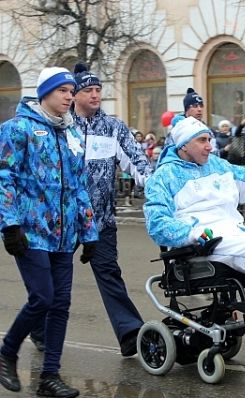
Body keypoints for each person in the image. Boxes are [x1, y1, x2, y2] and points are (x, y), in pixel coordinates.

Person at [143, 116, 245, 355]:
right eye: (202, 140)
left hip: (233, 233)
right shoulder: (163, 176)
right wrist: (191, 233)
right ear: (184, 144)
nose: (210, 145)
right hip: (204, 244)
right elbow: (157, 223)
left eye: (209, 139)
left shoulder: (219, 166)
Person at [29, 63, 154, 358]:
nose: (95, 95)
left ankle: (129, 333)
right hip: (63, 221)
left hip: (100, 220)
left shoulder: (113, 128)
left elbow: (138, 164)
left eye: (98, 90)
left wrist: (157, 186)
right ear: (75, 95)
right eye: (88, 90)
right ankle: (39, 330)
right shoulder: (61, 127)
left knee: (110, 273)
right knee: (54, 282)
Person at [0, 67, 98, 398]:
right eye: (64, 91)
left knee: (60, 304)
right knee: (42, 297)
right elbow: (5, 178)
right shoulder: (18, 129)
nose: (70, 96)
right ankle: (7, 351)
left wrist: (89, 232)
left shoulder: (70, 134)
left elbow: (79, 186)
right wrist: (9, 224)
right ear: (45, 94)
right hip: (30, 232)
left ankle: (49, 378)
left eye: (72, 91)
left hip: (64, 235)